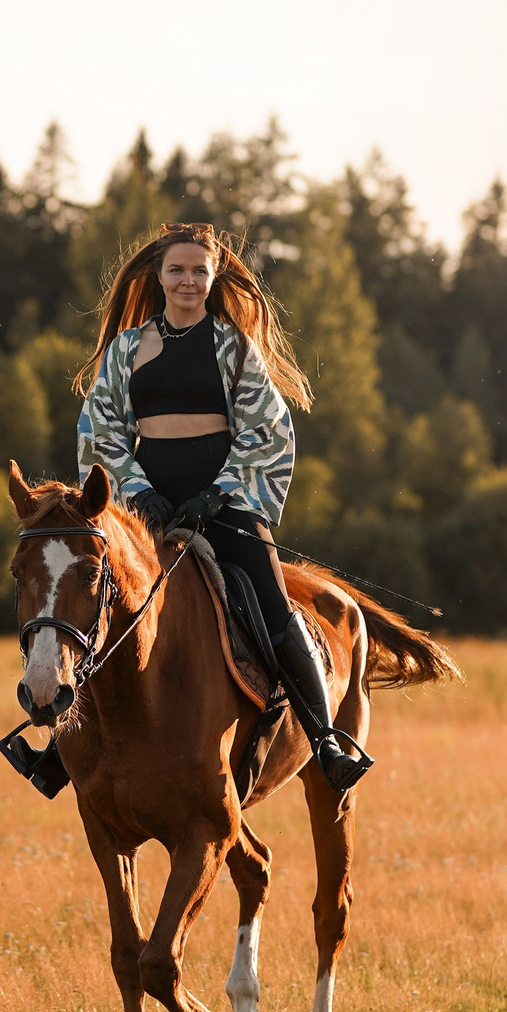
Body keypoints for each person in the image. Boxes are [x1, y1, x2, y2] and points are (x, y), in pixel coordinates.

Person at [71, 221, 373, 792]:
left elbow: (270, 431)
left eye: (199, 271)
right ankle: (62, 744)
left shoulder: (235, 348)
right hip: (146, 509)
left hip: (227, 503)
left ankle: (327, 740)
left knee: (273, 609)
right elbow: (99, 430)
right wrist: (137, 493)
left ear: (214, 277)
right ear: (158, 276)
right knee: (92, 603)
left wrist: (220, 491)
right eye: (177, 270)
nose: (188, 280)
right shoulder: (127, 350)